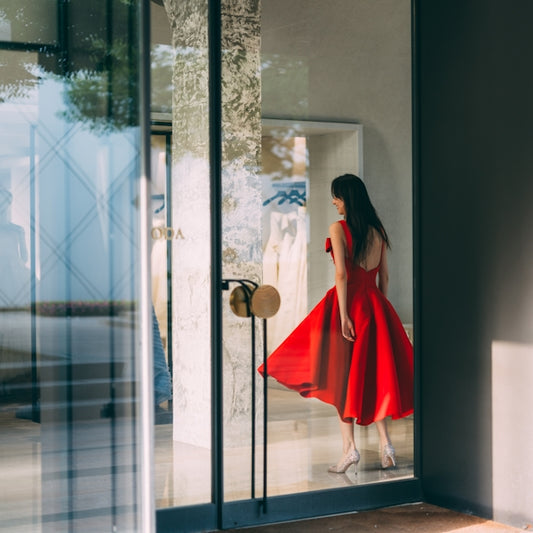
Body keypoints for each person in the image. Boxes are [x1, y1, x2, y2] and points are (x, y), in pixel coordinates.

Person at [258, 174, 413, 474]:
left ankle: (349, 450)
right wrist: (379, 311)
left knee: (342, 380)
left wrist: (344, 316)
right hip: (375, 306)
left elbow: (342, 275)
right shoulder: (378, 231)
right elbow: (386, 277)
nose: (334, 202)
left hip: (347, 306)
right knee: (371, 379)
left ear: (347, 199)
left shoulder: (339, 229)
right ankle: (387, 446)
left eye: (337, 197)